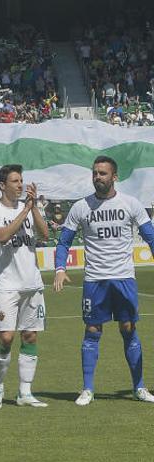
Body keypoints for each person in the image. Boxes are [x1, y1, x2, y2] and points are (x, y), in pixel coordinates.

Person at [53, 155, 154, 405]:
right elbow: (64, 241)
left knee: (128, 329)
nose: (97, 177)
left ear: (114, 176)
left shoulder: (131, 204)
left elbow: (150, 237)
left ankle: (139, 387)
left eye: (103, 173)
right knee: (92, 330)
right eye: (95, 173)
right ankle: (87, 389)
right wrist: (59, 268)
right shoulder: (80, 207)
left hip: (123, 279)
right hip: (95, 280)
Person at [0, 165, 49, 409]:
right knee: (6, 337)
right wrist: (26, 211)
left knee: (30, 336)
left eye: (22, 180)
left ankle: (25, 392)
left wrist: (34, 209)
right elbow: (1, 236)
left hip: (32, 282)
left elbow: (44, 234)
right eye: (15, 181)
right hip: (7, 285)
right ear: (2, 185)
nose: (20, 185)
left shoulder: (28, 208)